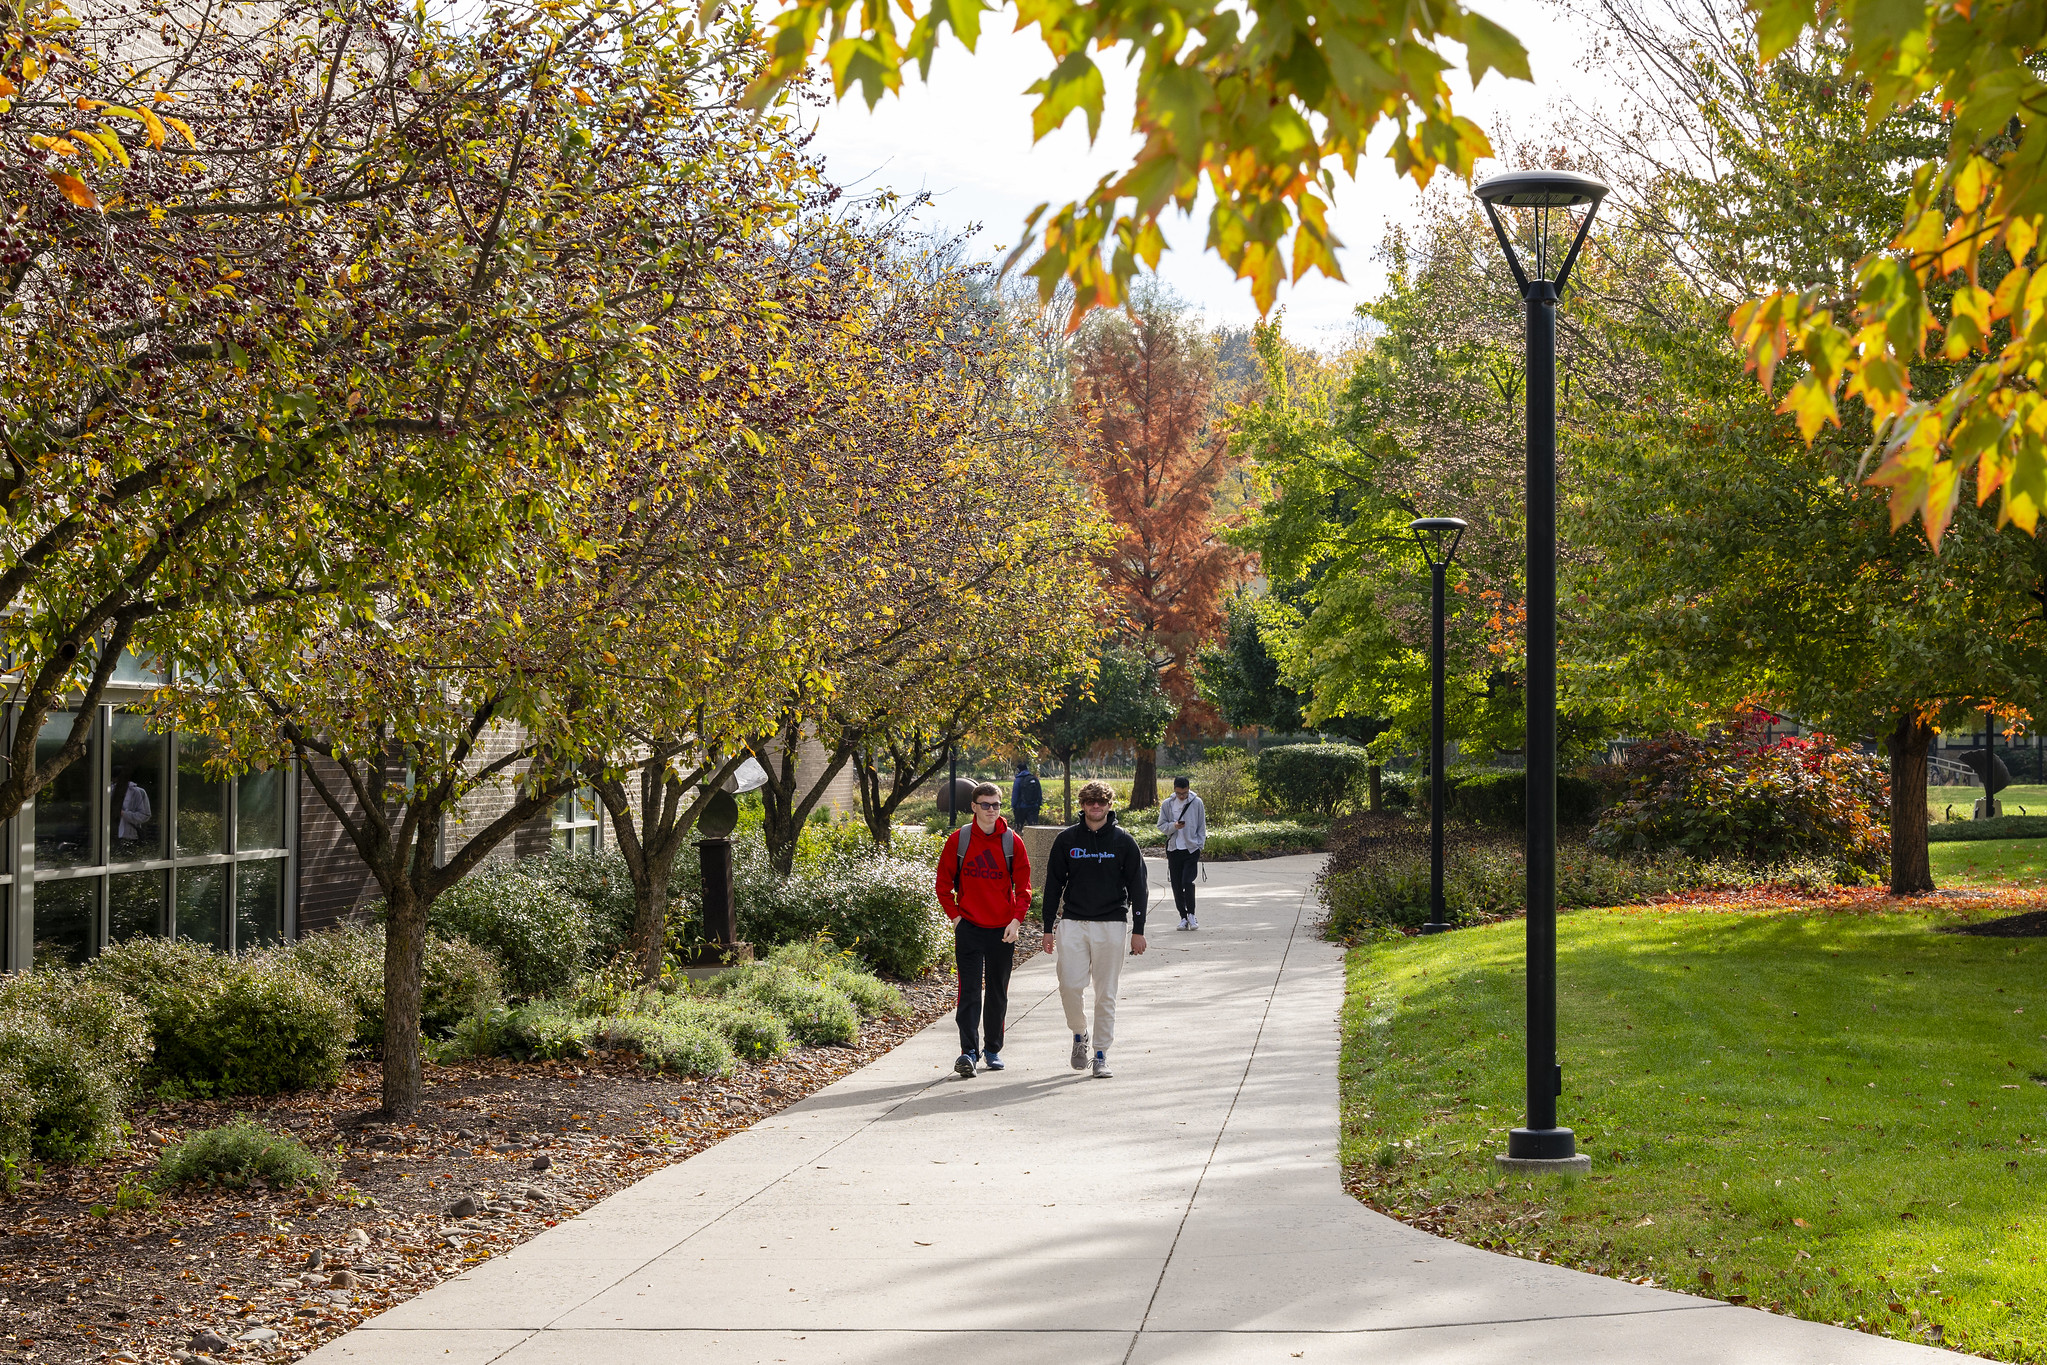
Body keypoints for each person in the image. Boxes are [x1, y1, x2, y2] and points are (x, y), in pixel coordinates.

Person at [1040, 780, 1147, 1078]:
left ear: (1109, 805)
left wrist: (1139, 929)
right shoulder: (1067, 840)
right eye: (1090, 802)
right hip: (1073, 922)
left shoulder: (1124, 841)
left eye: (1100, 802)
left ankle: (1100, 1054)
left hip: (1111, 924)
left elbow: (1139, 887)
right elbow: (1053, 885)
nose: (1095, 806)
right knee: (1070, 985)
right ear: (1083, 805)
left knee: (1106, 993)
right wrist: (1048, 926)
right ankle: (1079, 1034)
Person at [935, 781, 1032, 1078]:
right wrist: (955, 917)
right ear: (974, 806)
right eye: (986, 805)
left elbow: (1024, 888)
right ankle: (968, 1052)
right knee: (969, 994)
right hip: (970, 928)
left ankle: (992, 1050)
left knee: (997, 993)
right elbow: (943, 884)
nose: (992, 810)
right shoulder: (959, 840)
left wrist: (1016, 921)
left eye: (996, 805)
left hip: (1003, 930)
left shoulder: (1012, 842)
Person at [1158, 775, 1206, 930]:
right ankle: (1183, 917)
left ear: (1188, 789)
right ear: (1174, 790)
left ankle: (1192, 915)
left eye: (1184, 793)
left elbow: (1201, 826)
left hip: (1191, 848)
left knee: (1187, 882)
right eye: (1179, 793)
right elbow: (1161, 825)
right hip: (1174, 849)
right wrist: (1174, 826)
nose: (1182, 796)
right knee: (1177, 885)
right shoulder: (1167, 804)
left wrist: (1200, 844)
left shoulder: (1196, 803)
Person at [1011, 760, 1044, 827]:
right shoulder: (1035, 779)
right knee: (1034, 828)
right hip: (1033, 807)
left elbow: (1015, 794)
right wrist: (1039, 804)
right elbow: (1039, 793)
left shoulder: (1018, 780)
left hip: (1021, 808)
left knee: (1019, 827)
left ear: (1018, 770)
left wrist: (1013, 806)